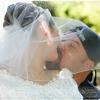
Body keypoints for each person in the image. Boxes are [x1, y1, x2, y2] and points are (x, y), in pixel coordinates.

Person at [0, 2, 83, 100]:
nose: (60, 39)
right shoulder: (3, 85)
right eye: (57, 31)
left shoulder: (64, 79)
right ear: (44, 30)